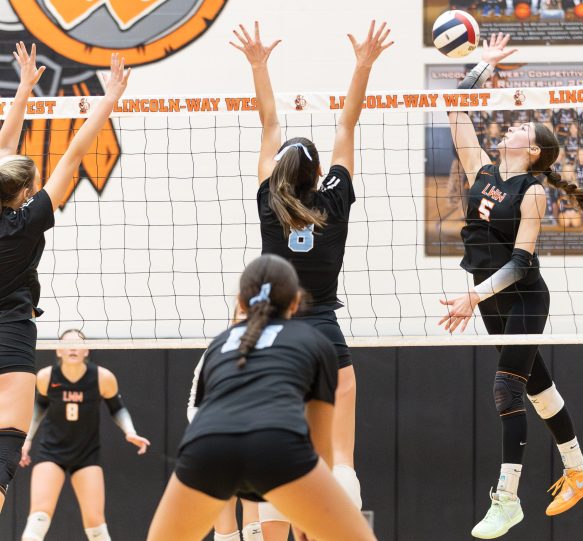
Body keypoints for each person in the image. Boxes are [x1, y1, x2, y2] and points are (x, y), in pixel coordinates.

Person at [230, 20, 392, 538]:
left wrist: (258, 65)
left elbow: (269, 123)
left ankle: (271, 520)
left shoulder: (268, 203)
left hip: (274, 334)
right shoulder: (336, 200)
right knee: (338, 454)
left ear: (278, 173)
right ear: (320, 174)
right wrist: (363, 65)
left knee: (277, 440)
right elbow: (347, 126)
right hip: (324, 331)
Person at [442, 32, 583, 539]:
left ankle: (506, 498)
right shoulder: (482, 170)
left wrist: (474, 295)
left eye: (520, 124)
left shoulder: (533, 193)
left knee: (506, 387)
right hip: (490, 298)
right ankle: (578, 469)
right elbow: (455, 111)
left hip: (522, 295)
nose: (510, 123)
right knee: (539, 388)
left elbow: (518, 265)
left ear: (531, 149)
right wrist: (481, 65)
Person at [147, 254, 377, 541]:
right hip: (276, 446)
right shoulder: (318, 343)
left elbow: (204, 414)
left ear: (241, 303)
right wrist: (310, 512)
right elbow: (320, 449)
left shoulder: (218, 345)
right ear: (295, 303)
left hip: (207, 449)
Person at [0, 44, 129, 513]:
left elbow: (4, 147)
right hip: (11, 332)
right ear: (28, 193)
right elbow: (73, 156)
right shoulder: (28, 221)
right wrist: (108, 98)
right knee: (4, 453)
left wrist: (23, 92)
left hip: (12, 329)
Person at [19, 329, 150, 541]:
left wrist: (130, 432)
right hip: (52, 452)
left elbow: (117, 408)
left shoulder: (102, 378)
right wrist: (27, 440)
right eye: (66, 344)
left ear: (87, 350)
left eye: (78, 343)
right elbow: (38, 409)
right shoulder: (45, 377)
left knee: (96, 526)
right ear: (58, 351)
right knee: (38, 519)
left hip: (87, 454)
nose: (72, 347)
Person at [186, 306, 263, 541]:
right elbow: (194, 400)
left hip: (255, 440)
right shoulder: (216, 349)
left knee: (254, 516)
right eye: (240, 311)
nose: (244, 316)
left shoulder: (272, 350)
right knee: (223, 512)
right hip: (218, 438)